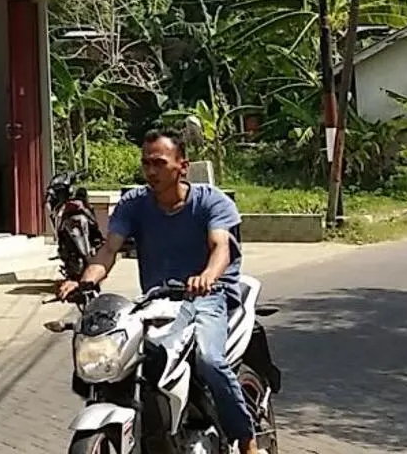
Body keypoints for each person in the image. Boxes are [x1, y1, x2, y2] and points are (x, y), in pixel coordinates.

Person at [56, 129, 258, 454]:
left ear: (182, 166)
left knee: (209, 360)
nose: (151, 171)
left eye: (159, 163)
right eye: (146, 163)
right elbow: (109, 249)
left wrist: (207, 275)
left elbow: (221, 246)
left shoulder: (211, 201)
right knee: (123, 352)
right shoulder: (134, 204)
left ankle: (247, 442)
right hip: (156, 301)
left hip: (207, 297)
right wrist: (84, 281)